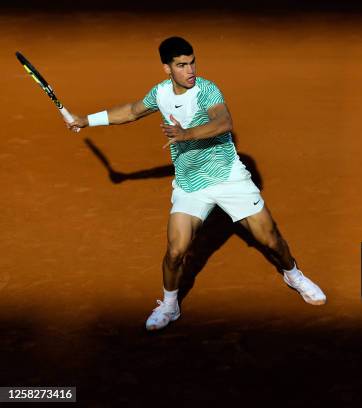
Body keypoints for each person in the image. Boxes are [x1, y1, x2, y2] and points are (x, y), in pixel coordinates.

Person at [67, 36, 326, 331]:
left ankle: (293, 274)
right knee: (176, 251)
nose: (190, 70)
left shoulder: (207, 89)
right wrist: (86, 120)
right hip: (191, 186)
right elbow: (131, 111)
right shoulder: (161, 94)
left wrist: (185, 135)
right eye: (181, 65)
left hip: (229, 178)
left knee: (270, 239)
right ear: (166, 69)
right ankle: (169, 304)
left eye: (192, 62)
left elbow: (223, 122)